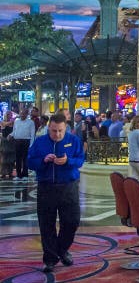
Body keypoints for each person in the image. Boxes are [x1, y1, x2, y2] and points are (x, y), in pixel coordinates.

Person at [27, 113, 85, 272]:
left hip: (69, 187)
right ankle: (50, 259)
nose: (57, 134)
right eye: (53, 131)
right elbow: (30, 162)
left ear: (65, 128)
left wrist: (68, 161)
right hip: (46, 188)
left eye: (60, 130)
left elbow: (80, 160)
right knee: (47, 225)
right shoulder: (40, 142)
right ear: (48, 128)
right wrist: (43, 160)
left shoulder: (74, 141)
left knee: (72, 221)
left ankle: (61, 249)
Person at [10, 108, 36, 180]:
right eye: (21, 113)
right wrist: (11, 135)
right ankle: (18, 175)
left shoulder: (31, 122)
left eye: (24, 113)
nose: (22, 115)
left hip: (26, 141)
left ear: (27, 114)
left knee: (25, 159)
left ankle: (25, 175)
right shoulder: (16, 121)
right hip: (17, 141)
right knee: (17, 159)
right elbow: (14, 131)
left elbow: (32, 134)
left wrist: (31, 145)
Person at [0, 112, 15, 179]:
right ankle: (3, 173)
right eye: (9, 115)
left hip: (11, 141)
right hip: (5, 141)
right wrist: (13, 120)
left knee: (11, 159)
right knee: (4, 159)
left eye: (11, 115)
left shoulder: (13, 123)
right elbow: (6, 124)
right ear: (6, 115)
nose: (10, 116)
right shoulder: (2, 122)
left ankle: (10, 172)